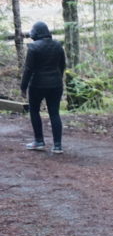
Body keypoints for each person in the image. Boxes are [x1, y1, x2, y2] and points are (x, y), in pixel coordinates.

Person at [20, 21, 67, 154]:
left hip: (37, 85)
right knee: (54, 113)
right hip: (56, 85)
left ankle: (39, 141)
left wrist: (23, 87)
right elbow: (62, 65)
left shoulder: (33, 47)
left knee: (34, 111)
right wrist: (58, 78)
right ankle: (57, 146)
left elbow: (28, 69)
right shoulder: (58, 45)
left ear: (36, 33)